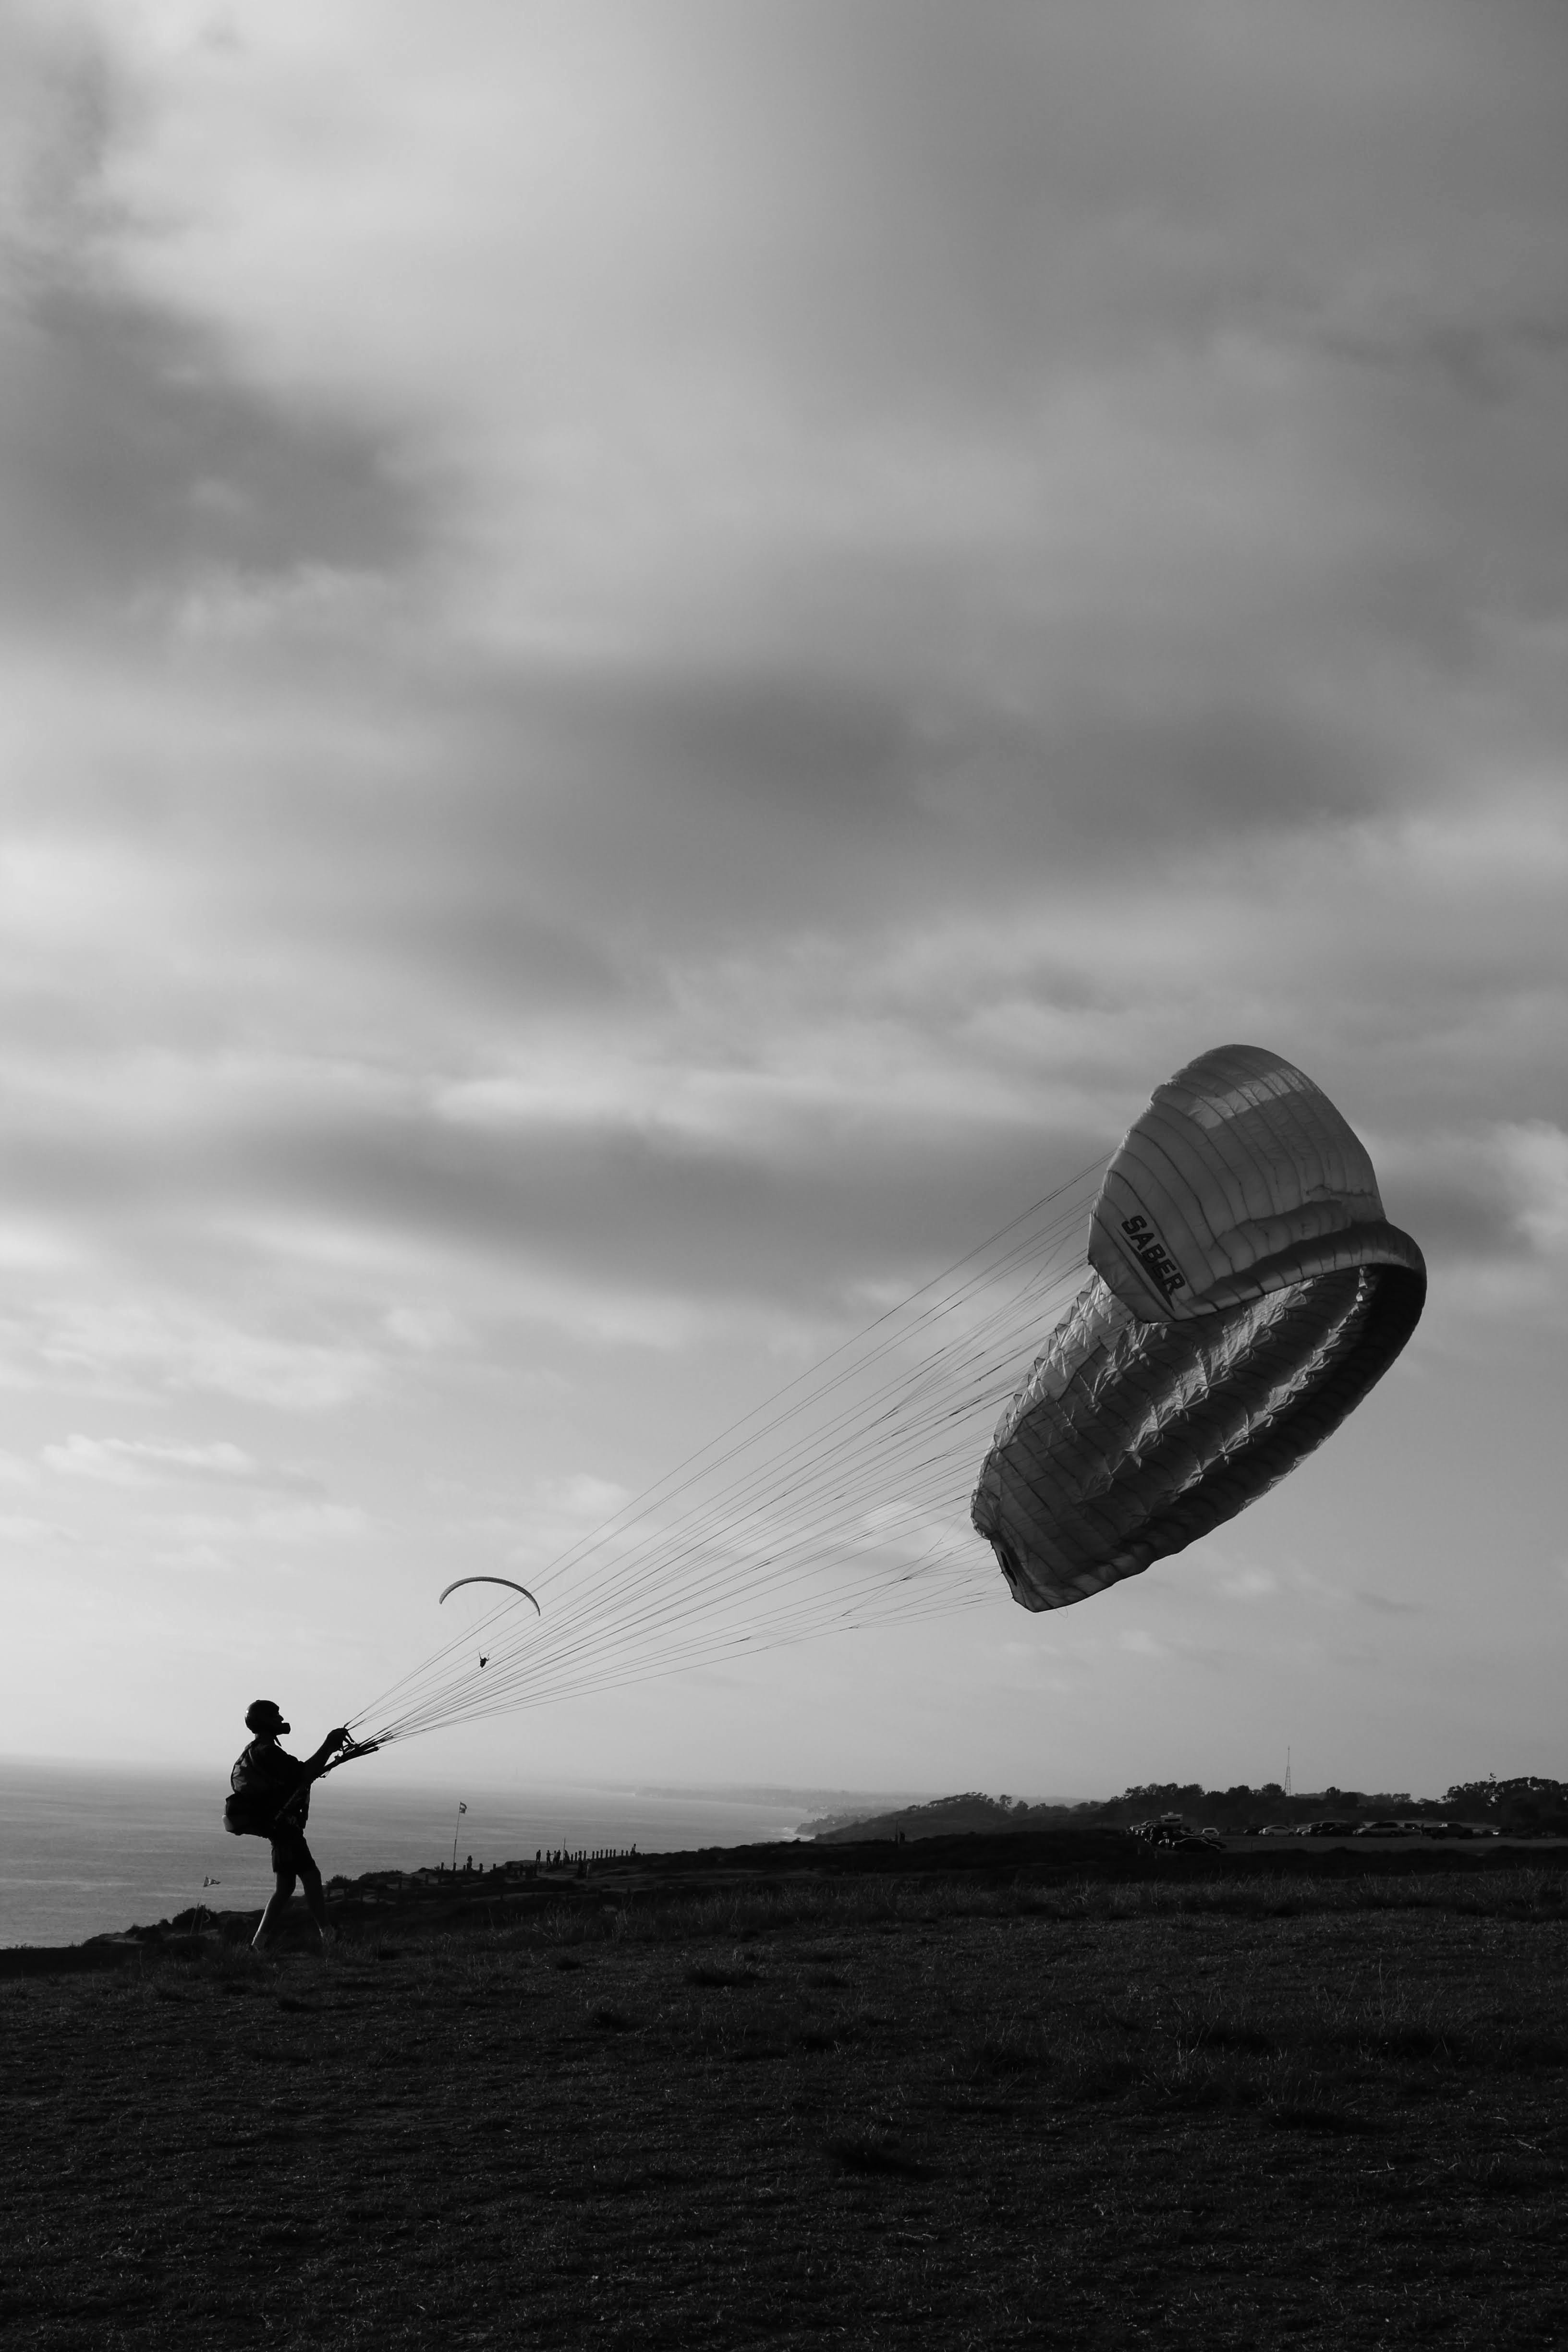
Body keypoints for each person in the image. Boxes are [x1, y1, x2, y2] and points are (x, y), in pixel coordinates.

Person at [231, 1701, 349, 1952]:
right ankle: (327, 1935)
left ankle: (258, 1945)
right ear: (267, 1722)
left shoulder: (254, 1750)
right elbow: (305, 1773)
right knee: (311, 1876)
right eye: (276, 1716)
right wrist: (329, 1745)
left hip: (277, 1826)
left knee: (285, 1888)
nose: (281, 1718)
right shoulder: (268, 1752)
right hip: (284, 1826)